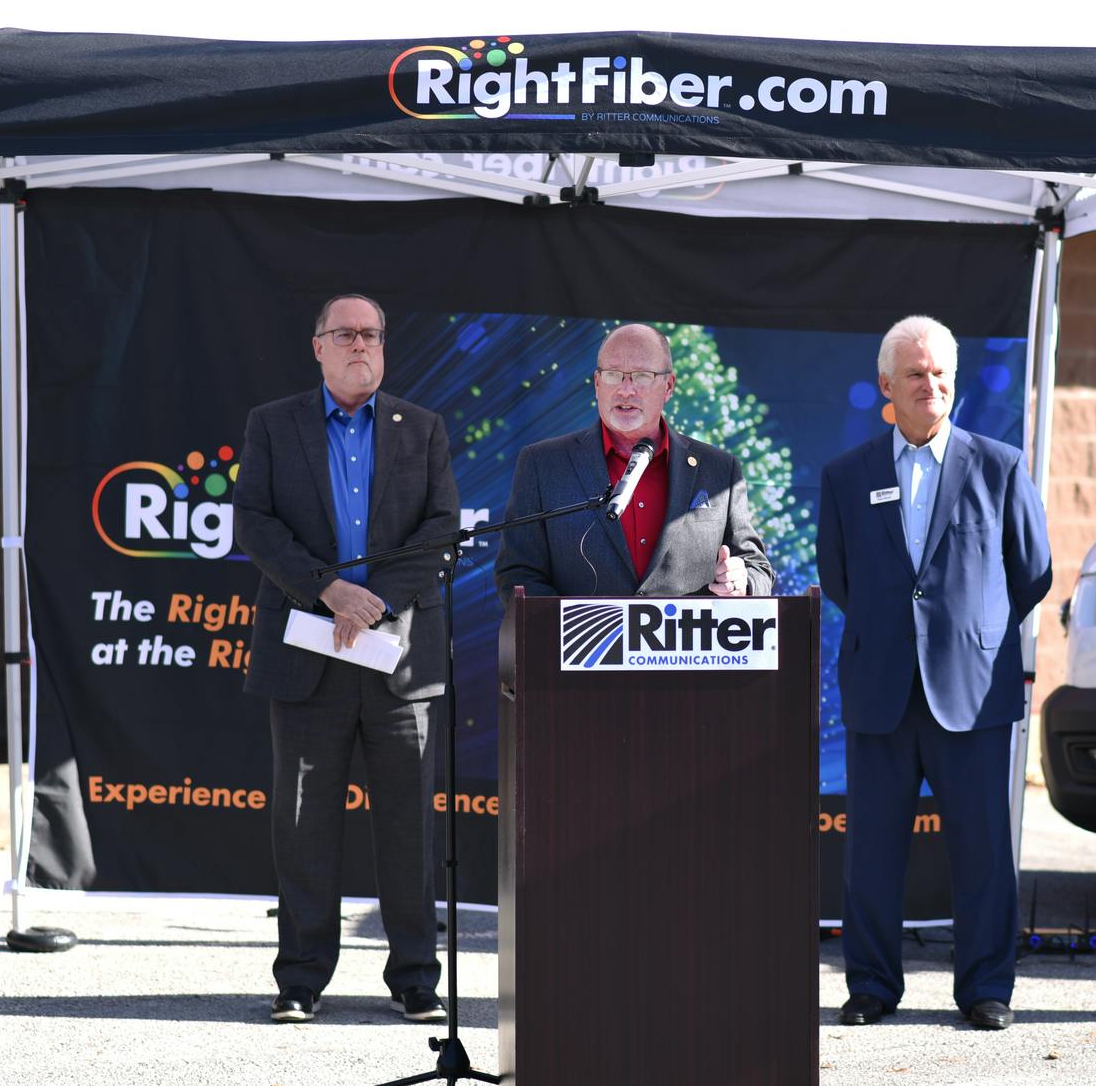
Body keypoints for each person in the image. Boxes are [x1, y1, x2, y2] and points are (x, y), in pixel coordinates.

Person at [816, 315, 1051, 1031]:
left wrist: (969, 632)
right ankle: (872, 987)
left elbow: (1032, 573)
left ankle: (986, 989)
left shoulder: (1000, 466)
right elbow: (839, 576)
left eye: (942, 373)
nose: (931, 385)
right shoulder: (847, 475)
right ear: (886, 385)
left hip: (972, 690)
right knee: (872, 857)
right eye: (915, 374)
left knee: (982, 851)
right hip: (881, 688)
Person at [234, 294, 462, 1024]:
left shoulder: (421, 429)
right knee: (303, 825)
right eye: (346, 334)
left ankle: (416, 979)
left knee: (408, 828)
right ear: (318, 346)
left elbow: (442, 527)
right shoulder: (273, 425)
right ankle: (301, 978)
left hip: (397, 659)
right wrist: (329, 590)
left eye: (372, 334)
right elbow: (256, 523)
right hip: (309, 654)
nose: (361, 343)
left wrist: (376, 602)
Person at [495, 323, 772, 598]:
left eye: (641, 376)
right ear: (597, 383)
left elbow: (758, 569)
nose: (626, 390)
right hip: (585, 641)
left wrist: (742, 580)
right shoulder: (543, 465)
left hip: (686, 640)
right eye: (614, 375)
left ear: (669, 386)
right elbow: (517, 575)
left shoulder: (719, 470)